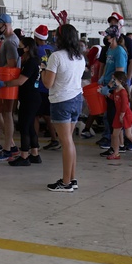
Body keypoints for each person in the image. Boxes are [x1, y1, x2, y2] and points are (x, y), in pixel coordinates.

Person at [42, 24, 84, 192]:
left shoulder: (56, 57)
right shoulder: (80, 57)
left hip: (61, 101)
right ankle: (71, 178)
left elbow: (47, 83)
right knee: (70, 141)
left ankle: (66, 182)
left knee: (66, 142)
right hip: (76, 100)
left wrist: (43, 70)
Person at [4, 37, 42, 166]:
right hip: (31, 96)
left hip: (30, 98)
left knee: (24, 126)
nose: (18, 48)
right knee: (30, 125)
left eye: (20, 46)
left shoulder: (31, 62)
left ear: (27, 48)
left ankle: (24, 156)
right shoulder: (32, 61)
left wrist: (4, 83)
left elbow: (21, 81)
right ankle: (35, 154)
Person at [0, 13, 20, 162]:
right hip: (5, 81)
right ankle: (11, 144)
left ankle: (8, 149)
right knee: (0, 113)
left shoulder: (10, 42)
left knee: (7, 114)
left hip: (7, 81)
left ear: (6, 24)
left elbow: (12, 64)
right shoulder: (10, 40)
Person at [100, 71, 132, 160]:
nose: (112, 81)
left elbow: (125, 104)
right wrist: (107, 94)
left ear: (120, 80)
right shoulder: (116, 90)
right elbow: (115, 98)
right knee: (114, 134)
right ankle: (116, 153)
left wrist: (122, 114)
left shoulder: (123, 91)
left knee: (128, 134)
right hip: (119, 114)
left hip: (125, 115)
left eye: (114, 79)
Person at [97, 25, 128, 149]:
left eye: (107, 36)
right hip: (108, 85)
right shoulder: (110, 49)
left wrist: (109, 87)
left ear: (113, 37)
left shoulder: (119, 51)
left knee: (114, 118)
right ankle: (117, 145)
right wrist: (103, 77)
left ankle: (116, 146)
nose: (106, 38)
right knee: (110, 118)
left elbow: (119, 74)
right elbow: (107, 67)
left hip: (115, 89)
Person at [33, 25, 59, 150]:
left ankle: (34, 141)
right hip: (50, 85)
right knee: (47, 115)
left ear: (35, 37)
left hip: (39, 85)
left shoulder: (36, 51)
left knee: (35, 115)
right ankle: (54, 139)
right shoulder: (52, 49)